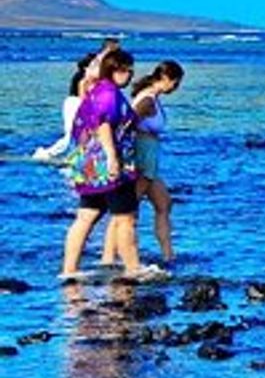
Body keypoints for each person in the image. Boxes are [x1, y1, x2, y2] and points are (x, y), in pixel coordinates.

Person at [61, 50, 153, 280]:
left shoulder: (96, 91)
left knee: (86, 216)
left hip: (90, 169)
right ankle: (133, 268)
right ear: (114, 70)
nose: (130, 75)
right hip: (109, 168)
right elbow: (103, 124)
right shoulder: (108, 94)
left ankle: (69, 270)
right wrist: (113, 157)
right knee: (125, 218)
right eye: (126, 70)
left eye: (131, 70)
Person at [126, 61, 184, 266]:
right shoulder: (147, 101)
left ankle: (169, 255)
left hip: (150, 157)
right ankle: (118, 256)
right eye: (175, 83)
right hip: (143, 156)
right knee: (128, 212)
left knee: (164, 204)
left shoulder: (152, 98)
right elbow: (127, 123)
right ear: (166, 79)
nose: (176, 88)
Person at [31, 56, 93, 163]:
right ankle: (47, 153)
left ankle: (73, 155)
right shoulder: (83, 78)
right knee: (72, 134)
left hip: (72, 103)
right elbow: (83, 96)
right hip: (75, 104)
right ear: (86, 67)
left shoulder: (82, 76)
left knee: (75, 134)